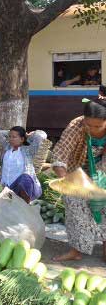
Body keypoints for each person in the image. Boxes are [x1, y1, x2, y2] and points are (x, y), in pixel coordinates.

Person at [51, 98, 106, 262]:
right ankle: (76, 251)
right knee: (75, 208)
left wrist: (100, 180)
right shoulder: (76, 125)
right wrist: (64, 178)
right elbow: (61, 151)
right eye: (88, 125)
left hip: (102, 170)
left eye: (98, 126)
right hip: (77, 171)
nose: (92, 129)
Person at [0, 126, 46, 203]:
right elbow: (0, 133)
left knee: (25, 177)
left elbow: (41, 135)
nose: (10, 139)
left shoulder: (28, 150)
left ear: (22, 139)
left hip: (22, 188)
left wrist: (27, 135)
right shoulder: (8, 147)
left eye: (14, 137)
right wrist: (11, 132)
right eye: (10, 136)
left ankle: (26, 204)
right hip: (7, 188)